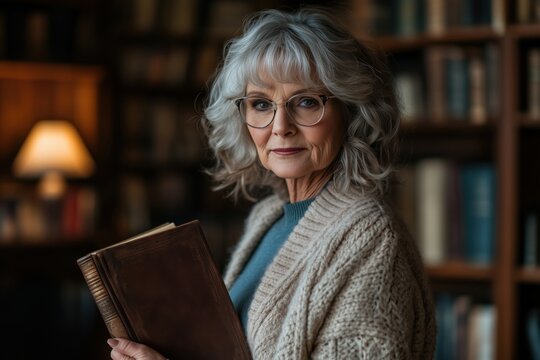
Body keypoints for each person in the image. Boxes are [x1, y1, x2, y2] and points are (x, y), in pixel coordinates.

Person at [107, 7, 436, 360]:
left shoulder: (371, 241)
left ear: (352, 111)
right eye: (261, 104)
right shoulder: (267, 217)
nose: (280, 126)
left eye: (307, 102)